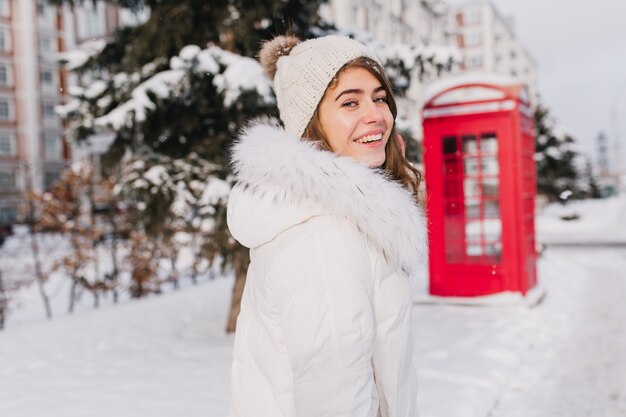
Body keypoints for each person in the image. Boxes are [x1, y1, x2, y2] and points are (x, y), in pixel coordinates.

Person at [226, 34, 427, 417]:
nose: (376, 115)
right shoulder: (323, 236)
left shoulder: (337, 215)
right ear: (310, 123)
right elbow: (336, 398)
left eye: (379, 97)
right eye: (350, 102)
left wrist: (398, 183)